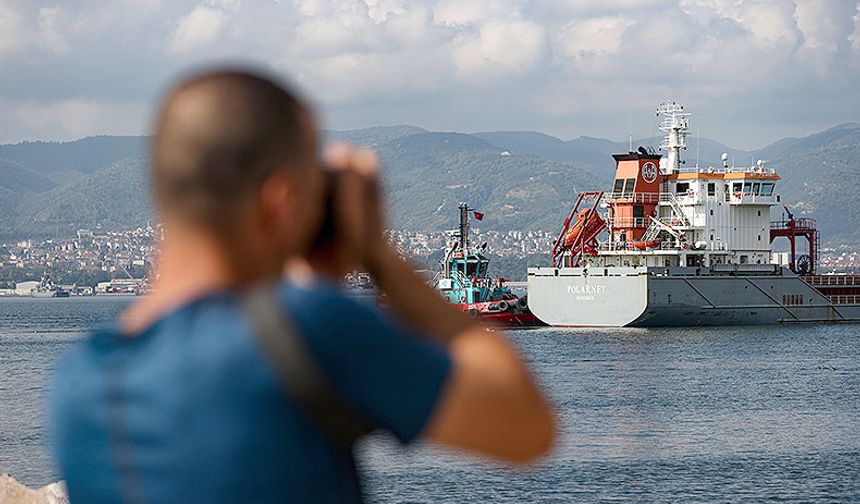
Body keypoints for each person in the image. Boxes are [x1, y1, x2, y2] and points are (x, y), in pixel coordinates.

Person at [49, 69, 556, 503]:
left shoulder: (78, 383)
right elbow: (527, 428)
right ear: (281, 201)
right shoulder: (312, 328)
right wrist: (379, 255)